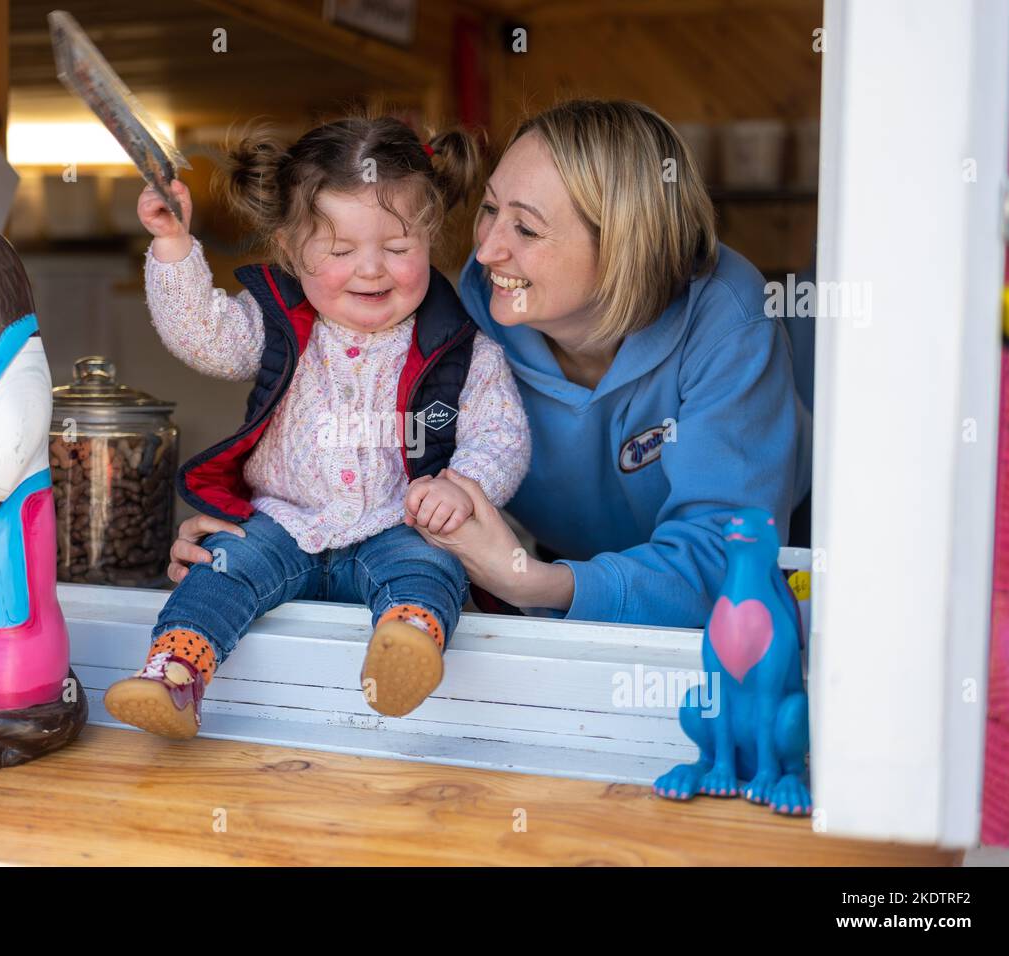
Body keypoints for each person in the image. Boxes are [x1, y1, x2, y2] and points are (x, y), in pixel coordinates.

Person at [167, 100, 811, 631]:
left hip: (744, 604)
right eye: (488, 209)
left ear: (624, 246)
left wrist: (529, 579)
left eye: (526, 230)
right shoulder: (468, 311)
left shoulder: (727, 319)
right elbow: (372, 463)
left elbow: (730, 569)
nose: (487, 248)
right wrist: (260, 534)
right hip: (570, 583)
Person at [104, 116, 531, 739]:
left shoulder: (461, 349)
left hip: (397, 522)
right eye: (340, 251)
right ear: (288, 250)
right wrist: (172, 245)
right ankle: (175, 675)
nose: (371, 270)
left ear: (431, 239)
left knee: (431, 567)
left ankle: (406, 645)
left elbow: (502, 438)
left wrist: (461, 487)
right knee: (219, 569)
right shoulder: (279, 324)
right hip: (284, 521)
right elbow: (204, 336)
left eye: (398, 248)